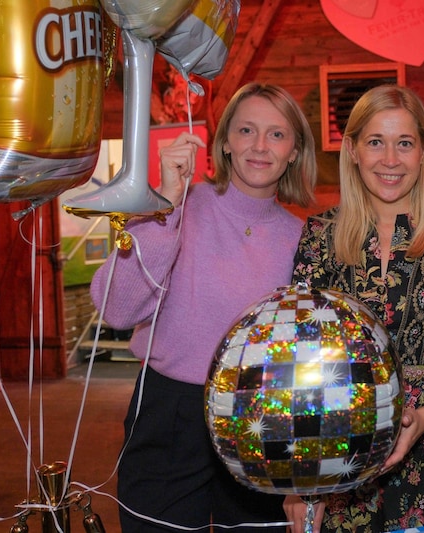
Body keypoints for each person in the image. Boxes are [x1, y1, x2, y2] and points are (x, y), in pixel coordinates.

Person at [90, 82, 317, 532]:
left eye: (276, 134)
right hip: (170, 411)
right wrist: (165, 207)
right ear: (225, 143)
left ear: (294, 151)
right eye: (246, 130)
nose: (259, 145)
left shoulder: (304, 240)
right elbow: (116, 311)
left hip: (264, 414)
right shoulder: (175, 208)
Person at [283, 85, 424, 532]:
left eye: (404, 143)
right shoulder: (319, 237)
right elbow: (300, 367)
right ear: (353, 150)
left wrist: (420, 417)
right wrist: (303, 482)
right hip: (347, 469)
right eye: (375, 142)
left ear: (423, 152)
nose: (390, 159)